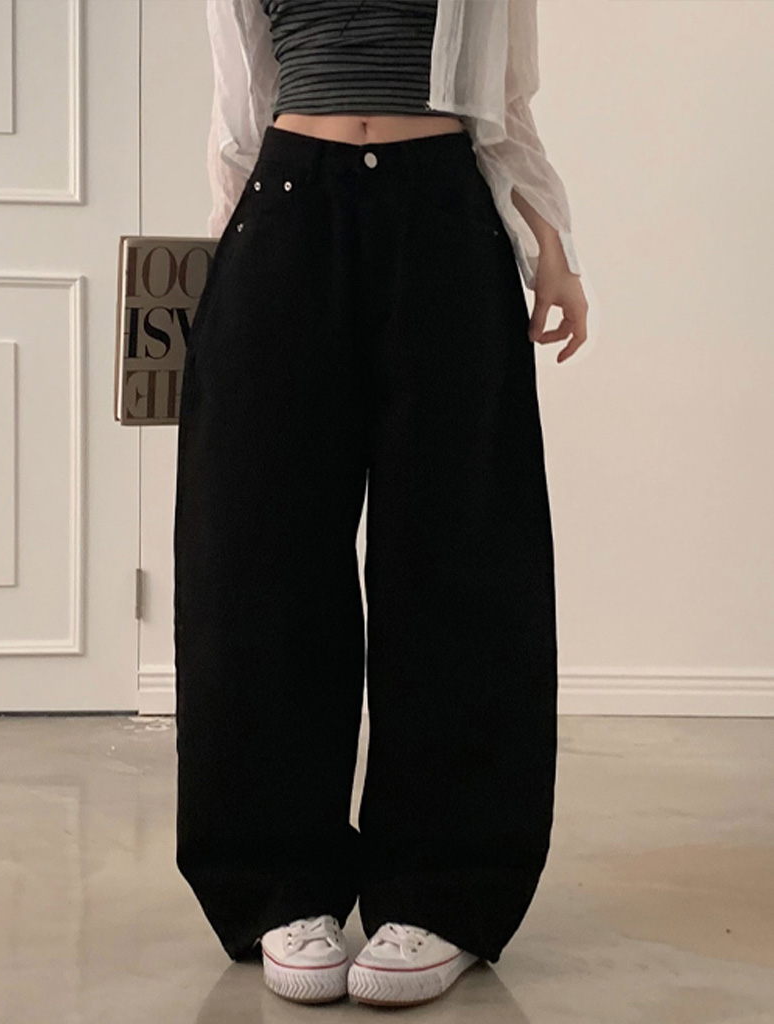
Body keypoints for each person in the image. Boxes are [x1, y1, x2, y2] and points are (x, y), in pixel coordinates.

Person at [173, 0, 589, 1009]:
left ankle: (441, 888)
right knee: (260, 561)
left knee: (459, 558)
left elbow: (505, 101)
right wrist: (233, 256)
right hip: (284, 209)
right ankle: (279, 880)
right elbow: (240, 102)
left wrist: (551, 244)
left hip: (443, 214)